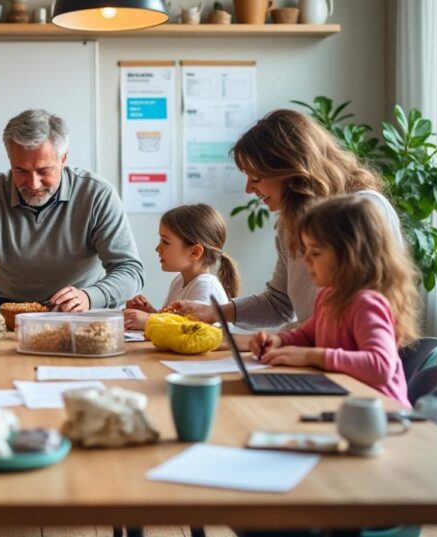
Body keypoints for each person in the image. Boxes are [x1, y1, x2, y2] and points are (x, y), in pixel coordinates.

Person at [169, 109, 402, 330]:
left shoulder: (365, 210)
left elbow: (356, 322)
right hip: (312, 357)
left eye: (256, 178)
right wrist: (216, 312)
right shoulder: (289, 224)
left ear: (290, 170)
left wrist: (284, 342)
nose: (249, 188)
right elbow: (278, 303)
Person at [0, 108, 144, 311]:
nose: (33, 184)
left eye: (44, 171)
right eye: (21, 170)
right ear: (10, 161)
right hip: (4, 309)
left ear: (63, 159)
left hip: (78, 309)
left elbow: (130, 271)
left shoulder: (97, 194)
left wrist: (89, 297)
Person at [249, 195, 418, 406]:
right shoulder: (328, 296)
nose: (306, 260)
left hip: (380, 412)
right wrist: (279, 341)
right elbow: (307, 334)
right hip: (345, 401)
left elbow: (381, 366)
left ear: (350, 255)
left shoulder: (366, 303)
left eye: (316, 252)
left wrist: (313, 357)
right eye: (305, 251)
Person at [123, 204, 240, 330]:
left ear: (194, 252)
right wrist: (150, 312)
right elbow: (173, 322)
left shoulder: (206, 287)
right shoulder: (179, 281)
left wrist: (149, 321)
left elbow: (193, 332)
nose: (158, 248)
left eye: (166, 242)